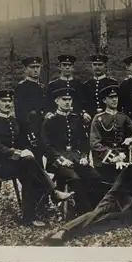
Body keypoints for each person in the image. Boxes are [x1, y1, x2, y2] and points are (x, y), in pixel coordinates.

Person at [44, 138, 132, 246]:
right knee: (96, 213)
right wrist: (99, 208)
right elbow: (114, 191)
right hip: (123, 204)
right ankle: (63, 230)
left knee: (105, 220)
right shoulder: (128, 170)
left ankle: (68, 232)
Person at [0, 89, 74, 227]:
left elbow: (22, 142)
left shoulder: (14, 121)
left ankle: (29, 217)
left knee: (29, 172)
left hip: (17, 164)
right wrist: (19, 153)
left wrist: (27, 150)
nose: (7, 104)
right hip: (0, 166)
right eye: (3, 101)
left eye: (9, 101)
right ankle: (53, 192)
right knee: (29, 163)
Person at [41, 87, 102, 215]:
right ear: (57, 101)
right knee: (75, 179)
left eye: (70, 99)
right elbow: (47, 146)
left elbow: (84, 141)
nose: (68, 102)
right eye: (64, 99)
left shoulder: (76, 118)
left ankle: (94, 207)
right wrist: (61, 159)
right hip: (57, 161)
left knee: (95, 176)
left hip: (76, 158)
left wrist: (84, 156)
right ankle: (84, 211)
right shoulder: (50, 120)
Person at [89, 85, 132, 186]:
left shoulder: (123, 117)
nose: (114, 99)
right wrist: (113, 156)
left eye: (116, 97)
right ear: (104, 100)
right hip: (104, 159)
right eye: (111, 97)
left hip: (122, 155)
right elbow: (94, 143)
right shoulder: (98, 118)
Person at [14, 56, 47, 166]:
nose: (36, 70)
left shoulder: (42, 86)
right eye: (32, 67)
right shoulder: (22, 87)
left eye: (38, 67)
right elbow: (20, 113)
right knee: (35, 160)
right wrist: (30, 132)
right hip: (29, 128)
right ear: (25, 69)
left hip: (42, 127)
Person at [46, 55, 91, 123]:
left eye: (69, 65)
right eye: (64, 65)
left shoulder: (79, 85)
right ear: (60, 67)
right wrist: (49, 113)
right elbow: (48, 103)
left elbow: (83, 104)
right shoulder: (52, 85)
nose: (67, 67)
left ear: (73, 67)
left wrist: (83, 113)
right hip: (57, 120)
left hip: (76, 120)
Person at [81, 54, 119, 119]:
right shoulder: (86, 84)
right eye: (95, 64)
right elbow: (83, 103)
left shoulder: (112, 83)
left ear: (105, 66)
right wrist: (84, 113)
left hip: (109, 118)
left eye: (100, 65)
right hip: (91, 118)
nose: (97, 67)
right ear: (91, 66)